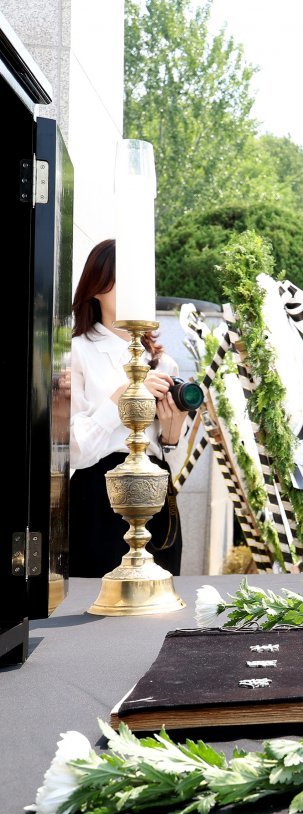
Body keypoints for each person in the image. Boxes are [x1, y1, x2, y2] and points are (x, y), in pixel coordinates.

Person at [69, 239, 188, 577]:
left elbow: (172, 463)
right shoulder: (77, 352)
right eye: (124, 279)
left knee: (160, 610)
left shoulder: (163, 362)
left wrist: (172, 434)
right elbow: (74, 453)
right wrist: (124, 398)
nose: (134, 290)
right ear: (96, 287)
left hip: (156, 496)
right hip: (99, 498)